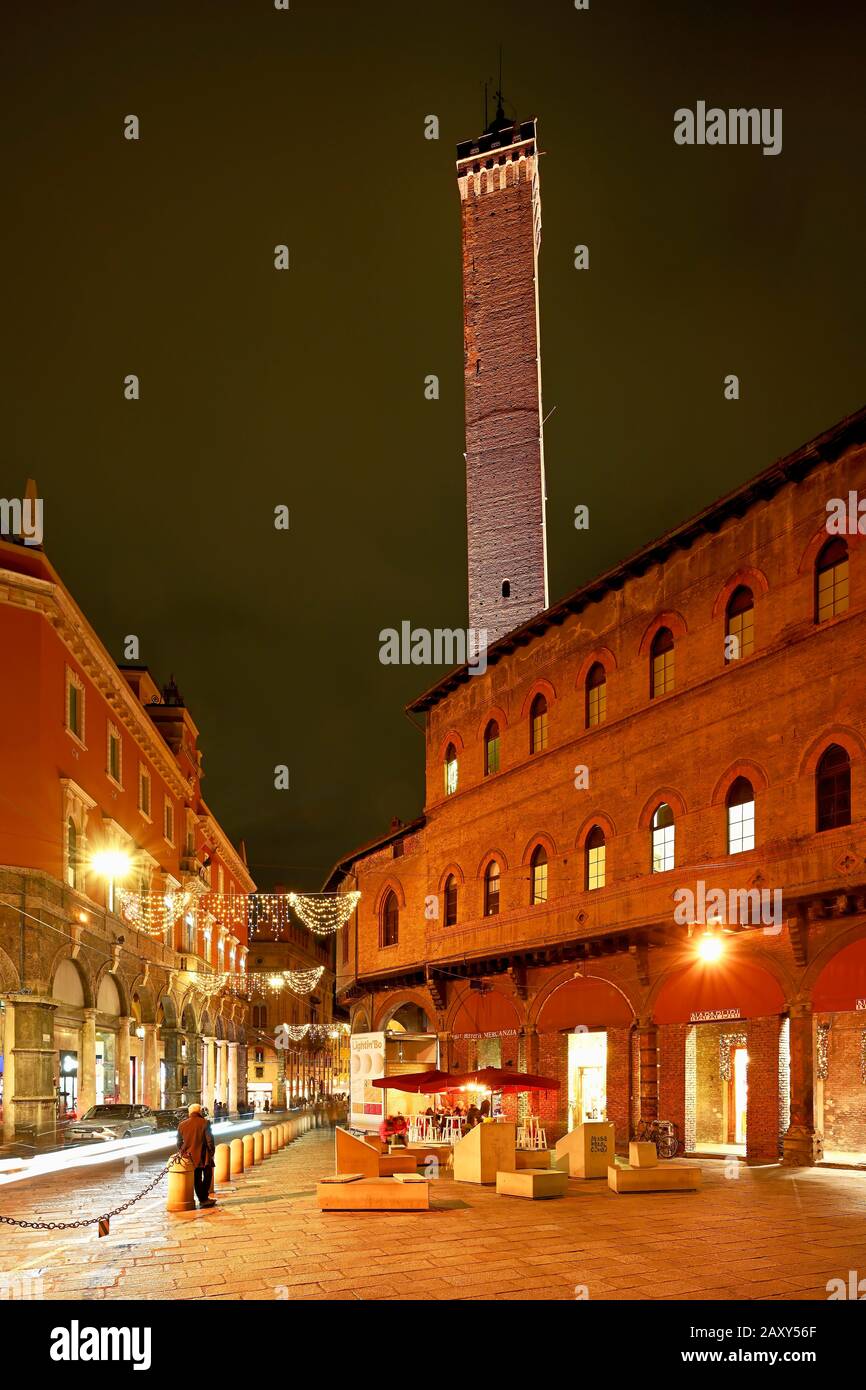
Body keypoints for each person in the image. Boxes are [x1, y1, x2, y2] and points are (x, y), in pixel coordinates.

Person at [177, 1102, 216, 1209]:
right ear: (199, 1111)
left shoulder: (182, 1124)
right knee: (208, 1176)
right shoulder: (205, 1123)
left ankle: (203, 1198)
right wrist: (211, 1152)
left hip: (189, 1156)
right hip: (204, 1155)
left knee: (196, 1178)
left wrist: (183, 1153)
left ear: (189, 1112)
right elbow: (210, 1141)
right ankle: (204, 1199)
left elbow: (179, 1143)